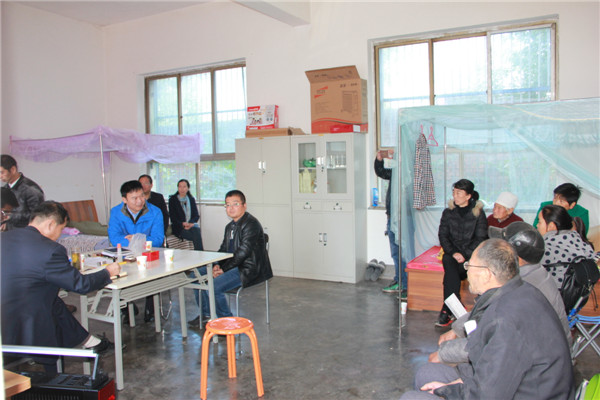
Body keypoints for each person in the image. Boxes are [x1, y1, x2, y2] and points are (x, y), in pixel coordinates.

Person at [400, 239, 574, 400]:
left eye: (469, 266)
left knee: (411, 398)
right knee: (427, 373)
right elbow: (487, 365)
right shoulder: (521, 291)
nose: (466, 271)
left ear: (486, 274)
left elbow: (487, 395)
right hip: (516, 385)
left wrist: (446, 391)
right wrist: (457, 384)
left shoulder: (504, 320)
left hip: (518, 393)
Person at [1, 201, 121, 372]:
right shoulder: (51, 250)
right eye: (61, 229)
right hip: (25, 319)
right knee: (51, 306)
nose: (59, 235)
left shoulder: (5, 237)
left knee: (53, 299)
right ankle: (55, 375)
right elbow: (80, 285)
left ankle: (89, 341)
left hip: (6, 313)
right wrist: (107, 272)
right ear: (50, 224)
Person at [431, 221, 571, 365]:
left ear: (515, 257)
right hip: (545, 357)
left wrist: (445, 354)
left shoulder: (521, 289)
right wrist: (457, 330)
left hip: (538, 365)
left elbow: (489, 340)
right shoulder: (533, 273)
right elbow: (486, 312)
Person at [189, 190, 272, 325]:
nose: (231, 208)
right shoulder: (230, 227)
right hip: (232, 265)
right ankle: (206, 314)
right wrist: (216, 264)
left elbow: (243, 253)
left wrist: (223, 269)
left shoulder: (251, 224)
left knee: (214, 286)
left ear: (244, 205)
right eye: (227, 205)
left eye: (235, 204)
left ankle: (227, 323)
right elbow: (223, 249)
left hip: (248, 268)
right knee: (196, 276)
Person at [436, 179, 487, 326]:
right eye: (454, 192)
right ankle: (452, 307)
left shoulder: (478, 214)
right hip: (453, 256)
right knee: (448, 260)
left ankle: (448, 308)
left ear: (468, 196)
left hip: (471, 257)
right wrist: (454, 252)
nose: (455, 196)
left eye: (459, 193)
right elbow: (443, 236)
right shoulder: (448, 212)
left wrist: (464, 254)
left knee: (450, 275)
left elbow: (480, 239)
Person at [374, 149, 406, 298]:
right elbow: (382, 173)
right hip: (392, 216)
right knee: (395, 252)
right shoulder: (396, 172)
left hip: (404, 217)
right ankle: (399, 281)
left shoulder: (409, 172)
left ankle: (405, 284)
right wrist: (379, 159)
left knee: (402, 252)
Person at [537, 204, 594, 287]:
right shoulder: (576, 238)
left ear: (551, 226)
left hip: (553, 291)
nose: (537, 225)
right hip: (579, 292)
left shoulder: (547, 246)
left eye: (539, 222)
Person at [108, 180, 164, 248]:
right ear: (124, 200)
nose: (139, 201)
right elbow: (114, 238)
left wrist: (136, 240)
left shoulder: (155, 212)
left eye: (142, 196)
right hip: (125, 252)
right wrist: (137, 241)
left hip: (149, 252)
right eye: (135, 198)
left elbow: (158, 240)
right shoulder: (116, 212)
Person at [0, 154, 45, 230]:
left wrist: (9, 217)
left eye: (1, 172)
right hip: (11, 232)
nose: (0, 176)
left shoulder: (30, 188)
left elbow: (38, 215)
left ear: (13, 169)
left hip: (27, 233)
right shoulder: (5, 189)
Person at [168, 179, 203, 251]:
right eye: (180, 187)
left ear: (188, 188)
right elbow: (173, 218)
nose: (182, 189)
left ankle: (199, 253)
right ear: (178, 188)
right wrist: (183, 224)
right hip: (179, 227)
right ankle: (201, 253)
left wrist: (190, 223)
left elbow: (196, 215)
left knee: (196, 230)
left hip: (190, 225)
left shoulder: (191, 199)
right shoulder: (173, 200)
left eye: (184, 187)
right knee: (196, 235)